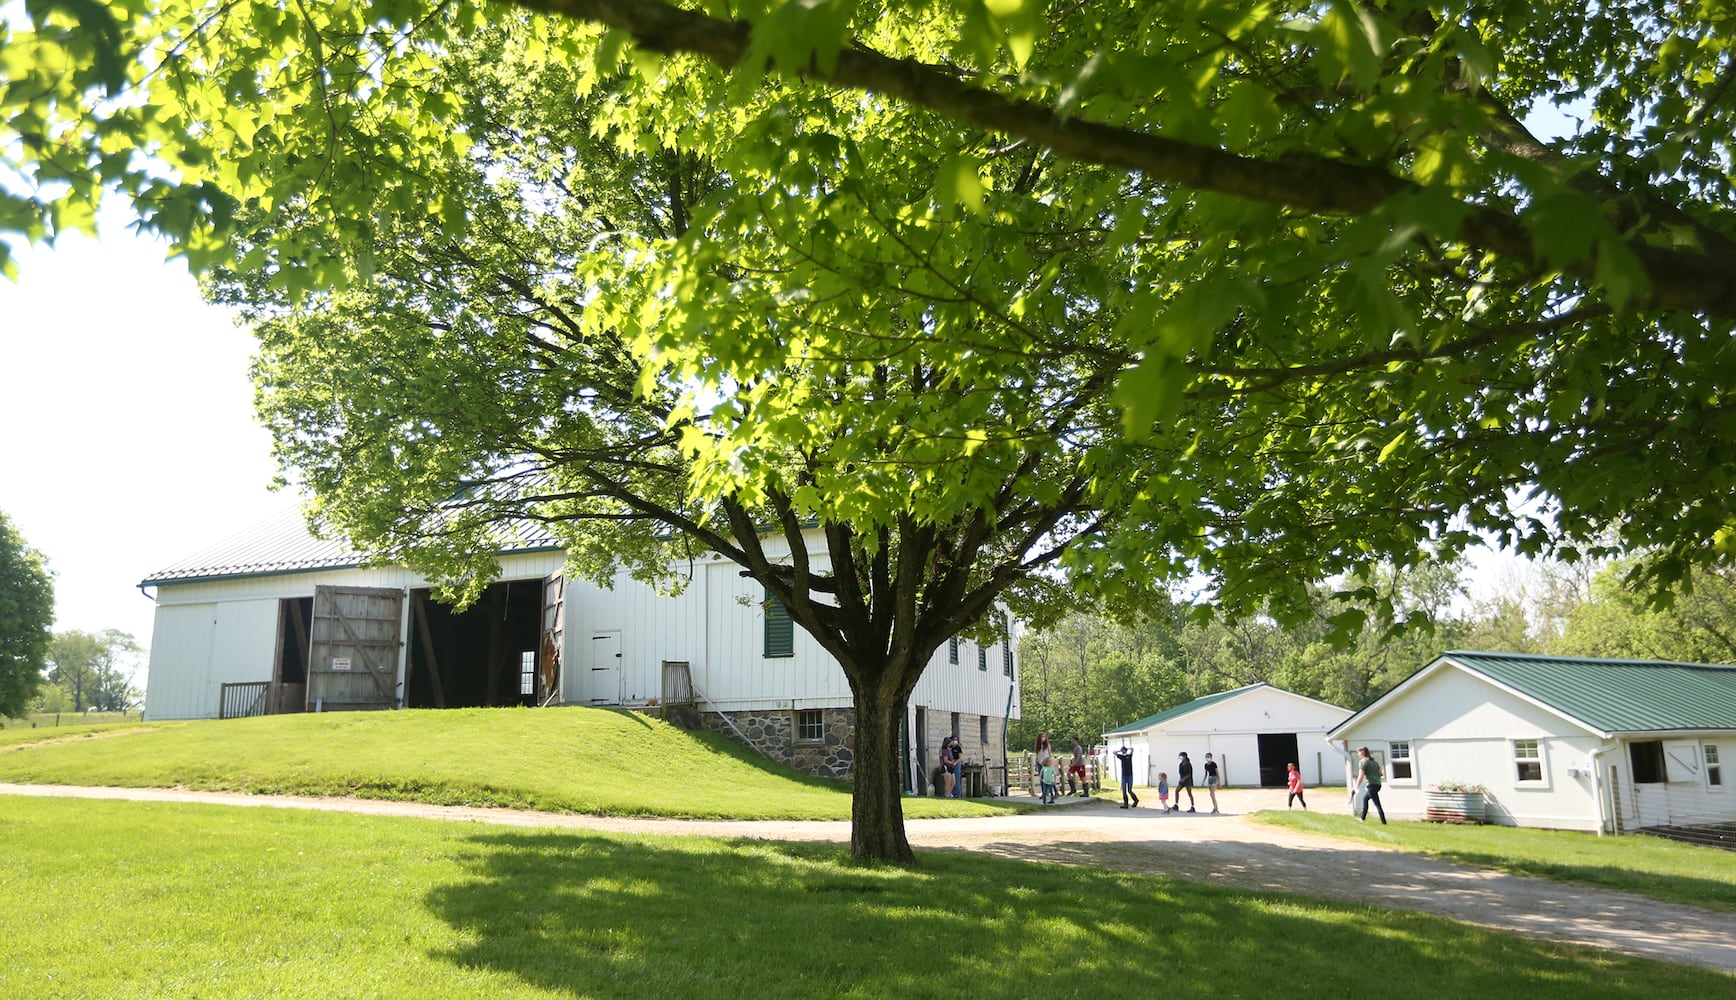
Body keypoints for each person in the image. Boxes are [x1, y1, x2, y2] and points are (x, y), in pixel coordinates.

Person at [1354, 746, 1387, 824]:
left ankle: (1384, 822)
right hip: (1378, 784)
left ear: (1362, 752)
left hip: (1371, 785)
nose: (1358, 754)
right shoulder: (1374, 762)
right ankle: (1362, 818)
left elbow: (1361, 775)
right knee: (1365, 799)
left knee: (1377, 804)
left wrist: (1356, 786)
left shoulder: (1362, 762)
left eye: (1358, 753)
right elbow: (1381, 773)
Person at [1113, 743, 1140, 808]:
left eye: (1124, 750)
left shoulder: (1129, 756)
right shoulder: (1122, 757)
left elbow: (1132, 749)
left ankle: (1136, 800)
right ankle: (1126, 804)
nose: (1123, 751)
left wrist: (1127, 749)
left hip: (1130, 775)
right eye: (1123, 750)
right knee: (1124, 790)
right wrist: (1120, 751)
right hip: (1124, 775)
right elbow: (1114, 752)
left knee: (1130, 790)